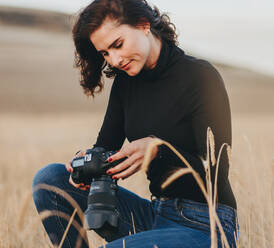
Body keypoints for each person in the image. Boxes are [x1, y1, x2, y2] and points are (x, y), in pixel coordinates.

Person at [32, 0, 238, 247]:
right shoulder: (125, 83)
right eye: (105, 53)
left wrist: (158, 150)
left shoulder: (201, 77)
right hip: (155, 215)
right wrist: (87, 164)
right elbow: (106, 147)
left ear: (143, 25)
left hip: (207, 225)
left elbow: (217, 173)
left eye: (118, 45)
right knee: (50, 179)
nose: (115, 60)